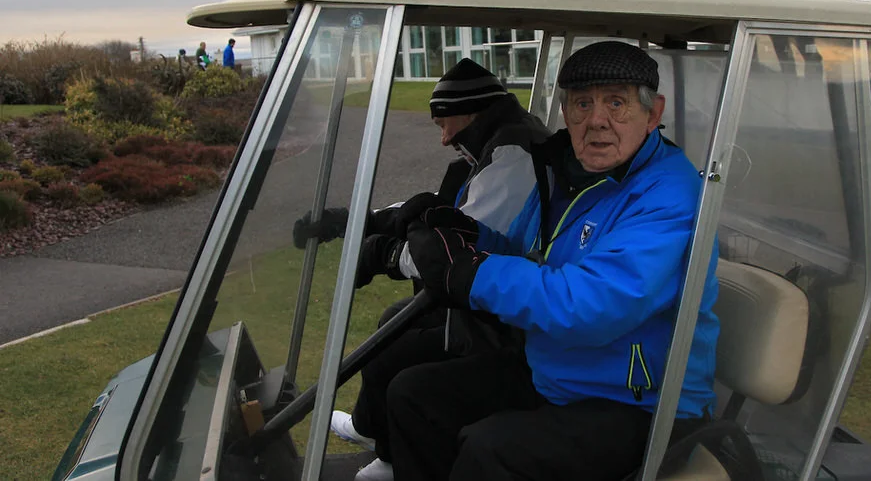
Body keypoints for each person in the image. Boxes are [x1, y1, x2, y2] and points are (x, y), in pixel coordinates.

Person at [389, 41, 720, 481]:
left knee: (490, 451)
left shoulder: (670, 195)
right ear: (565, 112)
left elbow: (591, 305)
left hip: (640, 403)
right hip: (563, 372)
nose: (596, 120)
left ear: (653, 114)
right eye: (582, 103)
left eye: (617, 103)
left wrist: (471, 273)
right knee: (413, 394)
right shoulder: (574, 177)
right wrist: (464, 235)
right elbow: (530, 254)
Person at [292, 58, 550, 481]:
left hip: (504, 321)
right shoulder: (501, 142)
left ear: (472, 112)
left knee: (397, 361)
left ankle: (392, 458)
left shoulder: (512, 156)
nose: (444, 138)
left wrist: (386, 256)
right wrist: (361, 219)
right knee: (392, 323)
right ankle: (373, 433)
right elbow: (444, 206)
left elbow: (457, 247)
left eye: (445, 124)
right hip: (493, 302)